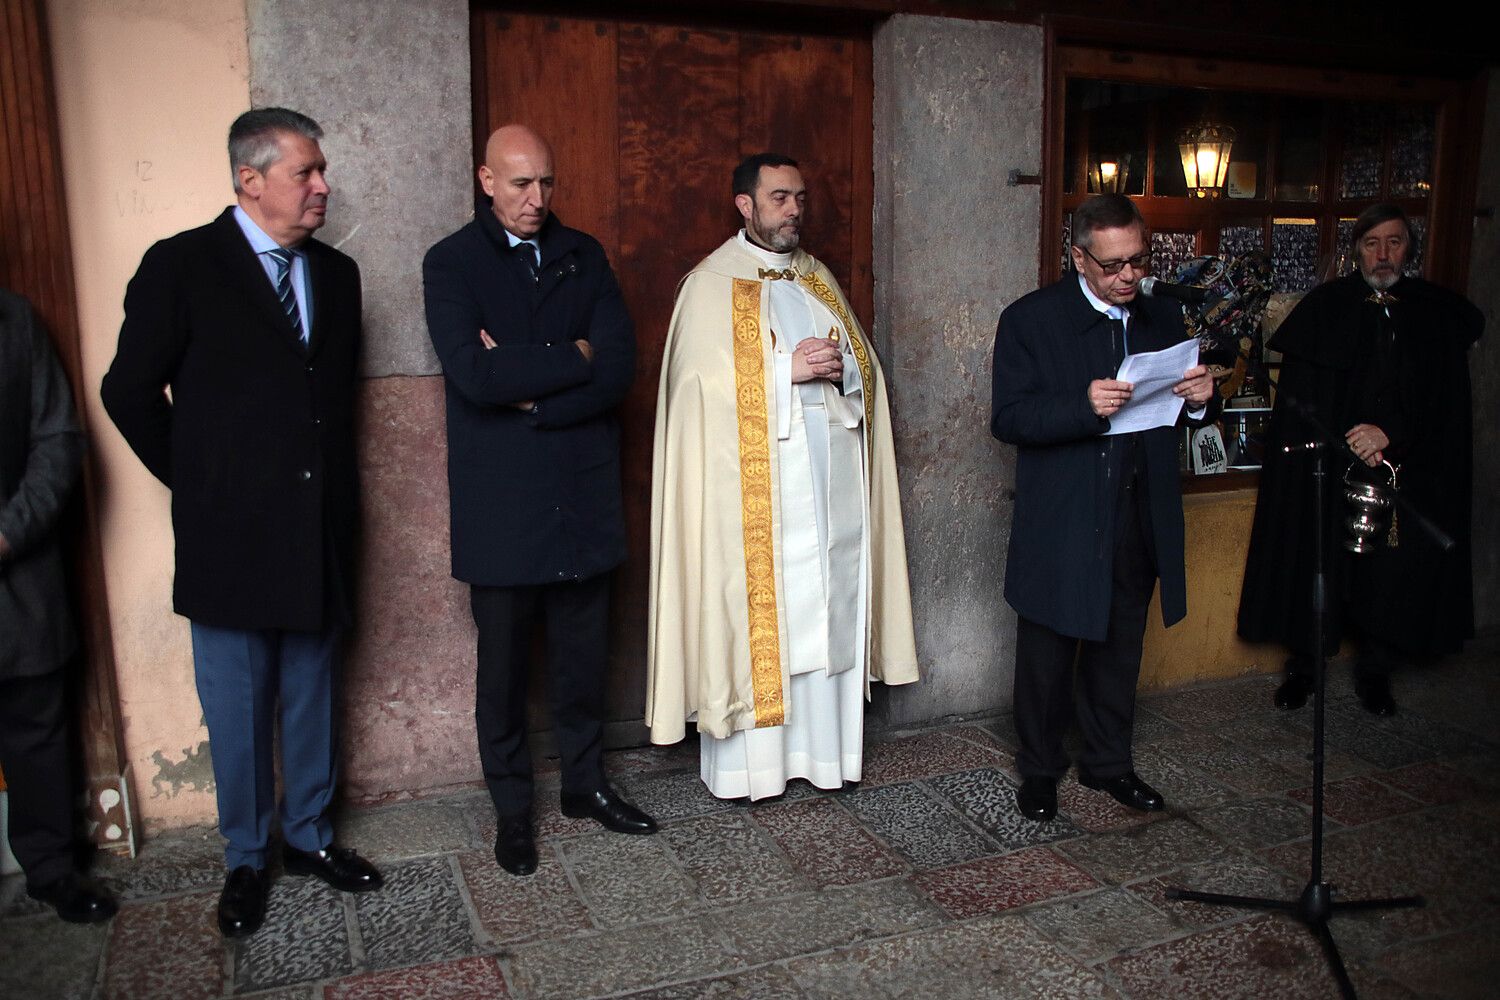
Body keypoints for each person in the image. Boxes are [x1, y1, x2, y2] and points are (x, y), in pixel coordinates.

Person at [102, 108, 381, 939]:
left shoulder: (338, 275)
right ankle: (247, 860)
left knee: (309, 696)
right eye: (306, 172)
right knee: (237, 705)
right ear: (249, 180)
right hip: (229, 538)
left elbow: (330, 405)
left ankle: (310, 841)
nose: (324, 186)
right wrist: (199, 487)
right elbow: (127, 392)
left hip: (317, 532)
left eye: (321, 170)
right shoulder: (180, 266)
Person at [646, 153, 920, 801]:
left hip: (831, 499)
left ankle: (827, 757)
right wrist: (782, 372)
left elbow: (867, 375)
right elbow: (694, 392)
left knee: (827, 616)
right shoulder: (712, 284)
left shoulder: (817, 278)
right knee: (765, 625)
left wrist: (843, 367)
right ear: (745, 204)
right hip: (754, 503)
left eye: (799, 197)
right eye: (778, 198)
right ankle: (753, 770)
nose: (793, 209)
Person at [423, 125, 655, 878]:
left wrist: (533, 394)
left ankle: (586, 787)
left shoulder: (583, 254)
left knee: (584, 660)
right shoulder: (451, 262)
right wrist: (569, 358)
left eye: (547, 183)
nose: (537, 199)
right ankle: (512, 811)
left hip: (581, 494)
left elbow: (617, 366)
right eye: (521, 184)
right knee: (504, 672)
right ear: (486, 180)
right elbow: (473, 377)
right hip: (502, 506)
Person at [990, 193, 1218, 822]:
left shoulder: (1163, 317)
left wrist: (1201, 398)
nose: (1128, 277)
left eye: (1137, 262)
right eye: (1113, 265)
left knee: (1121, 647)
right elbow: (1007, 418)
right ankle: (1038, 770)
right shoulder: (1030, 320)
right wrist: (1081, 406)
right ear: (1079, 258)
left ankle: (1108, 763)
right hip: (1064, 517)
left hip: (1138, 510)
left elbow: (1184, 408)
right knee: (1047, 653)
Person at [1238, 203, 1482, 716]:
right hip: (1328, 466)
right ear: (1357, 251)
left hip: (1403, 467)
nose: (1383, 254)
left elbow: (1442, 403)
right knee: (1317, 563)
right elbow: (1303, 399)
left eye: (1394, 242)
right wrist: (1347, 436)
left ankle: (1376, 671)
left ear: (1408, 249)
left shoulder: (1431, 313)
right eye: (1372, 243)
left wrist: (1389, 435)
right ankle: (1304, 668)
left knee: (1387, 574)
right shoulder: (1327, 307)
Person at [0, 288, 117, 924]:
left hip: (18, 577)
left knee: (37, 732)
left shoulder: (15, 319)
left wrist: (8, 531)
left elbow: (58, 437)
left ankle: (50, 871)